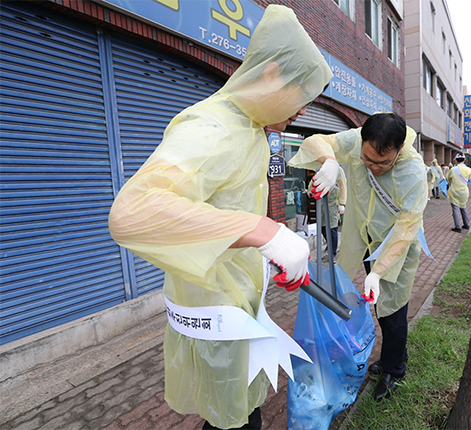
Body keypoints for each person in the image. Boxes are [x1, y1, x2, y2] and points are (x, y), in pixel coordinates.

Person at [107, 5, 333, 430]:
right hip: (215, 311)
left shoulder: (253, 129)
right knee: (233, 420)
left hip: (240, 301)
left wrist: (265, 252)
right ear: (270, 76)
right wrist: (263, 230)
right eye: (301, 98)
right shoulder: (211, 127)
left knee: (242, 410)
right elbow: (133, 212)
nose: (302, 112)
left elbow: (225, 210)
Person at [288, 113, 428, 402]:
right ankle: (393, 356)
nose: (373, 168)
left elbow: (406, 228)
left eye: (382, 162)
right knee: (376, 302)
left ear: (399, 150)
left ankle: (394, 369)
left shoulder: (414, 172)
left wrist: (379, 271)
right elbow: (317, 140)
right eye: (367, 160)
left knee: (393, 308)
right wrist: (329, 161)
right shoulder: (355, 140)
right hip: (363, 238)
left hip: (394, 247)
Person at [310, 166, 347, 262]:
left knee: (332, 228)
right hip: (321, 202)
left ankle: (333, 253)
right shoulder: (320, 168)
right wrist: (310, 191)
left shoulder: (338, 170)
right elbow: (313, 181)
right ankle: (329, 244)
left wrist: (342, 203)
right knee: (322, 227)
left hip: (333, 203)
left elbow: (342, 186)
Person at [447, 153, 471, 232]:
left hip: (454, 191)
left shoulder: (453, 170)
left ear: (456, 160)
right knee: (463, 207)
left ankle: (458, 227)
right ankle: (466, 224)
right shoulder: (469, 170)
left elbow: (448, 178)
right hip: (464, 192)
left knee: (455, 208)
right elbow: (469, 178)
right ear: (464, 160)